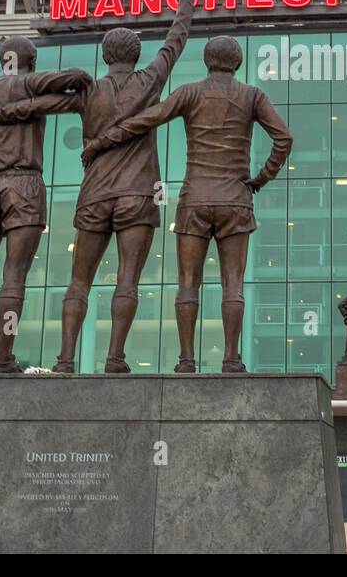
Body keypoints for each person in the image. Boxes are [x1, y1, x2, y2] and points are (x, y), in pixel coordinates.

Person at [0, 0, 197, 373]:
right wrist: (187, 1)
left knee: (80, 282)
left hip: (94, 195)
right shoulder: (150, 80)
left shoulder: (89, 92)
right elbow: (175, 41)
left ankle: (65, 359)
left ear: (107, 56)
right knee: (127, 280)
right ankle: (115, 358)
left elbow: (36, 105)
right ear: (135, 53)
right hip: (137, 196)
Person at [85, 35, 292, 373]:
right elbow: (284, 137)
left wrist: (101, 142)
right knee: (233, 284)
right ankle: (231, 359)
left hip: (195, 198)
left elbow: (145, 120)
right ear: (237, 63)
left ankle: (186, 360)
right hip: (235, 200)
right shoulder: (252, 95)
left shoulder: (189, 92)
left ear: (208, 61)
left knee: (187, 283)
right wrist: (261, 177)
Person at [0, 38, 92, 373]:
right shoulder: (29, 83)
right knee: (14, 277)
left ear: (1, 60)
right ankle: (2, 357)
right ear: (32, 61)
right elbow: (78, 77)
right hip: (23, 184)